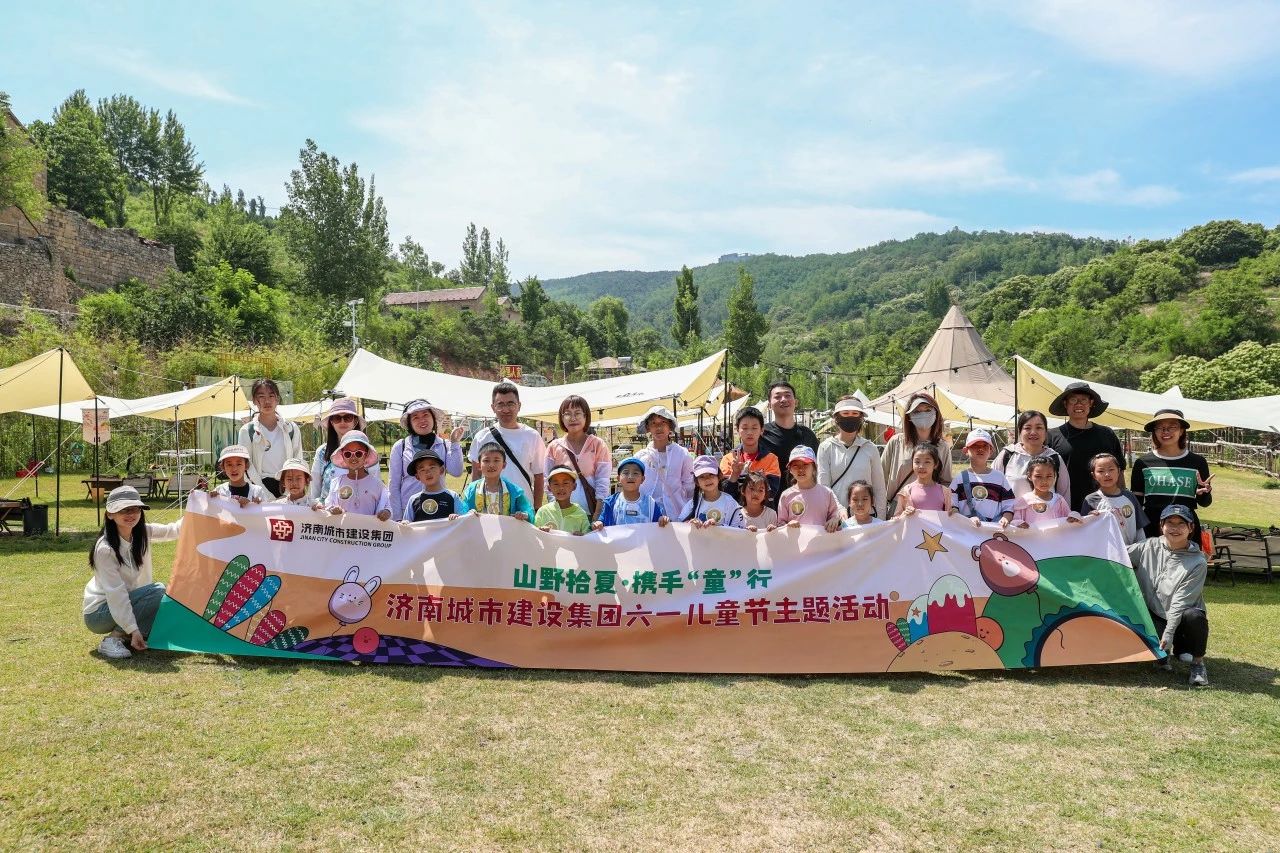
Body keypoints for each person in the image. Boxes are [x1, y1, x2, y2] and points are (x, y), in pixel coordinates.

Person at [83, 486, 183, 659]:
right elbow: (116, 594)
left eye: (135, 509)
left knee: (166, 600)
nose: (130, 514)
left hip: (128, 602)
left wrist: (202, 504)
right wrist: (133, 629)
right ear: (110, 514)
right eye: (123, 510)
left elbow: (174, 530)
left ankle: (130, 636)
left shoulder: (142, 532)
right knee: (158, 591)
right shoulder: (105, 549)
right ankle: (113, 639)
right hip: (98, 614)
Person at [1128, 505, 1210, 687]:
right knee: (1156, 657)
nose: (1175, 528)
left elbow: (1181, 602)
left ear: (1191, 528)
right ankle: (1164, 654)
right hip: (1155, 613)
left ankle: (1198, 664)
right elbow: (1117, 555)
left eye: (1181, 524)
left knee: (1195, 616)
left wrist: (1169, 633)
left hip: (1182, 616)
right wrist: (1092, 524)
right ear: (1161, 525)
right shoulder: (1148, 546)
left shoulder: (1198, 562)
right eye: (1170, 523)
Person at [1130, 408, 1213, 542]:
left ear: (1182, 430)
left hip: (1186, 529)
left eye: (1172, 427)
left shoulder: (1197, 462)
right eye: (1160, 427)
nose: (1166, 431)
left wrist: (1203, 493)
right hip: (1151, 529)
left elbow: (1205, 503)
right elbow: (1137, 504)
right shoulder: (1143, 463)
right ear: (1154, 431)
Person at [1046, 381, 1125, 512]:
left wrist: (1121, 500)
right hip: (1064, 508)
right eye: (1073, 400)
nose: (1079, 404)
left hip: (1105, 508)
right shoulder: (1052, 436)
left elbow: (1120, 471)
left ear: (1091, 403)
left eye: (1083, 400)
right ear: (1065, 404)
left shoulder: (1107, 434)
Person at [469, 382, 546, 510]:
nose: (505, 410)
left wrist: (537, 508)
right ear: (493, 407)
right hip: (489, 508)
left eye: (511, 404)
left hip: (522, 509)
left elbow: (539, 476)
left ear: (519, 406)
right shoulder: (481, 437)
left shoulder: (532, 436)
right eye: (500, 404)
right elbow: (476, 474)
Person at [388, 398, 465, 522]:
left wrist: (455, 443)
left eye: (425, 415)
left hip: (440, 508)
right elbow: (393, 485)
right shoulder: (400, 446)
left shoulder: (445, 444)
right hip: (409, 511)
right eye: (415, 417)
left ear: (433, 418)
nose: (422, 420)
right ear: (409, 423)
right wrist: (397, 517)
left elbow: (456, 472)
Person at [818, 396, 886, 519]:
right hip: (837, 518)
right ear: (836, 417)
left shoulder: (870, 448)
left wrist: (881, 520)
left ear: (861, 418)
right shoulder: (825, 447)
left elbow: (879, 488)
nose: (850, 417)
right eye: (845, 413)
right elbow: (824, 486)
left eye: (855, 413)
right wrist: (839, 509)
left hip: (866, 518)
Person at [544, 395, 610, 522]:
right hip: (563, 515)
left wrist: (598, 513)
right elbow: (547, 480)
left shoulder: (598, 445)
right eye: (567, 414)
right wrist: (555, 510)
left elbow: (603, 481)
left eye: (578, 413)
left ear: (586, 416)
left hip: (591, 513)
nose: (573, 418)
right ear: (562, 418)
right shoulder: (554, 447)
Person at [237, 378, 303, 498]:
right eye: (261, 396)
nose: (267, 401)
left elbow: (298, 461)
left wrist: (288, 492)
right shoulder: (247, 431)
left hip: (288, 487)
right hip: (259, 488)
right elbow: (246, 465)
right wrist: (263, 492)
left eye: (271, 396)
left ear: (277, 399)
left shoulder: (291, 428)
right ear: (254, 401)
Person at [881, 392, 952, 503]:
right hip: (898, 505)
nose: (923, 414)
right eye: (917, 411)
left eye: (928, 410)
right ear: (909, 416)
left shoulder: (942, 447)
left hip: (930, 506)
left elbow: (946, 482)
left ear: (936, 413)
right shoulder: (896, 442)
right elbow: (881, 477)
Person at [310, 398, 381, 503]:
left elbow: (376, 484)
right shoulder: (322, 452)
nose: (342, 422)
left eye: (347, 417)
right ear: (331, 422)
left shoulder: (369, 451)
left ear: (355, 421)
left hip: (362, 510)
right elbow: (315, 486)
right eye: (337, 418)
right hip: (327, 511)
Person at [992, 410, 1070, 504]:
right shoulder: (1007, 455)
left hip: (1048, 513)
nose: (1033, 432)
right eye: (1027, 428)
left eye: (1039, 427)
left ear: (1046, 432)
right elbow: (992, 487)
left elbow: (1064, 495)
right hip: (1011, 513)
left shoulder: (1054, 458)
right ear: (1020, 431)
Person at [636, 405, 694, 518]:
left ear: (670, 426)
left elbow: (689, 486)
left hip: (676, 515)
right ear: (648, 427)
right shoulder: (640, 457)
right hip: (646, 515)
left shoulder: (682, 454)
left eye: (663, 422)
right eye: (653, 423)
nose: (658, 427)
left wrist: (688, 512)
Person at [949, 429, 1014, 528]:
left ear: (991, 451)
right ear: (966, 451)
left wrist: (1006, 518)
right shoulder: (959, 479)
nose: (980, 449)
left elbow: (1009, 504)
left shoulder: (999, 478)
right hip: (967, 531)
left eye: (985, 446)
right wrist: (965, 520)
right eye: (975, 446)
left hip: (993, 531)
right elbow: (952, 506)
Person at [720, 406, 782, 507]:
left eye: (754, 428)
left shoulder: (771, 459)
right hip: (735, 512)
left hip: (763, 513)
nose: (749, 432)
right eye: (744, 428)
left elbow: (771, 492)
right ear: (737, 429)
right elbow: (725, 494)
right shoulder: (728, 459)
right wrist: (735, 474)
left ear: (762, 430)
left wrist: (747, 477)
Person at [323, 430, 391, 521]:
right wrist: (332, 509)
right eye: (348, 454)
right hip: (343, 529)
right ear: (343, 456)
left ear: (366, 455)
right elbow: (328, 505)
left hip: (368, 529)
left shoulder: (377, 484)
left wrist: (386, 512)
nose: (353, 457)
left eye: (358, 453)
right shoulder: (336, 483)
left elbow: (387, 506)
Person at [1083, 452, 1148, 545]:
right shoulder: (1090, 500)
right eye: (1101, 471)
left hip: (1131, 550)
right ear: (1094, 475)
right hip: (1106, 551)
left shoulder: (1130, 497)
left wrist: (1141, 548)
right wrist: (1090, 520)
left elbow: (1139, 527)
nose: (1107, 474)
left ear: (1118, 471)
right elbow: (1085, 531)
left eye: (1111, 469)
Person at [759, 381, 819, 479]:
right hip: (770, 489)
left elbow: (817, 469)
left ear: (796, 402)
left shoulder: (808, 435)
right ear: (769, 405)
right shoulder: (761, 434)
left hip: (802, 489)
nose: (783, 399)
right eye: (777, 397)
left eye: (787, 395)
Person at [460, 441, 533, 521]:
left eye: (496, 460)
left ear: (504, 465)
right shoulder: (472, 490)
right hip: (478, 529)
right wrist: (468, 513)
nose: (491, 465)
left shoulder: (514, 490)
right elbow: (462, 511)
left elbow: (528, 511)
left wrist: (524, 515)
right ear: (479, 465)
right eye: (486, 461)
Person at [777, 446, 842, 531]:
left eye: (805, 464)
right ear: (790, 470)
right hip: (795, 540)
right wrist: (787, 525)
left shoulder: (827, 493)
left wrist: (835, 520)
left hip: (821, 539)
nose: (800, 469)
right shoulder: (786, 496)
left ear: (815, 467)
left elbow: (835, 518)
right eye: (795, 466)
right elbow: (780, 525)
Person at [595, 457, 670, 528]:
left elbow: (658, 522)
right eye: (626, 473)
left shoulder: (650, 503)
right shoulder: (611, 503)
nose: (630, 476)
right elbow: (602, 521)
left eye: (635, 473)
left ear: (642, 479)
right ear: (618, 478)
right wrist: (598, 524)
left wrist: (662, 520)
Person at [1012, 456, 1082, 528]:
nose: (1044, 481)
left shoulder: (1059, 500)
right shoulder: (1024, 501)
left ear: (1055, 476)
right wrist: (1018, 523)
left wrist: (1074, 516)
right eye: (1038, 476)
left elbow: (1069, 518)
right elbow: (1015, 522)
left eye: (1049, 476)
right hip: (1032, 535)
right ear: (1029, 476)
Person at [679, 454, 746, 529]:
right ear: (696, 482)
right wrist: (689, 524)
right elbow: (679, 526)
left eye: (711, 474)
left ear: (719, 476)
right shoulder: (691, 505)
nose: (707, 479)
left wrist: (717, 527)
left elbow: (740, 530)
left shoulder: (731, 503)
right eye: (702, 477)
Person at [402, 448, 464, 522]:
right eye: (422, 470)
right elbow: (406, 524)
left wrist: (458, 517)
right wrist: (405, 523)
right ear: (417, 476)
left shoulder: (453, 496)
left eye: (432, 467)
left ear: (441, 470)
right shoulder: (413, 500)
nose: (428, 472)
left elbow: (464, 521)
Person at [893, 443, 952, 518]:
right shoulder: (906, 491)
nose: (921, 466)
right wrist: (904, 514)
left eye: (927, 462)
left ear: (935, 464)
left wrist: (954, 513)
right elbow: (896, 519)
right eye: (917, 462)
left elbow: (950, 518)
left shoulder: (945, 492)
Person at [535, 466, 593, 534]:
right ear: (549, 488)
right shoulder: (543, 512)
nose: (561, 487)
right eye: (556, 484)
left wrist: (581, 536)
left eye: (565, 483)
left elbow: (587, 536)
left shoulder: (580, 513)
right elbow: (534, 533)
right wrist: (541, 532)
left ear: (574, 486)